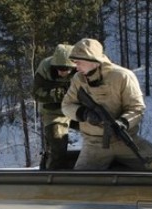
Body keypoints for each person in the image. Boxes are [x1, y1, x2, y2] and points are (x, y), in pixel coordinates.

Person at [61, 38, 147, 170]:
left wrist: (123, 122)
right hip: (94, 144)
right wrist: (84, 114)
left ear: (92, 61)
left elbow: (137, 108)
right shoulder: (78, 79)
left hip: (126, 140)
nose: (76, 66)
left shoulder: (123, 76)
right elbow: (66, 106)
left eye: (79, 62)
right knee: (79, 185)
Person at [32, 44, 77, 170]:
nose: (62, 72)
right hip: (54, 111)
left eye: (66, 69)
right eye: (59, 68)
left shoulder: (82, 68)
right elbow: (36, 93)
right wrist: (57, 93)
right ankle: (52, 173)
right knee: (57, 142)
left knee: (98, 134)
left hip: (78, 109)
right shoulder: (45, 67)